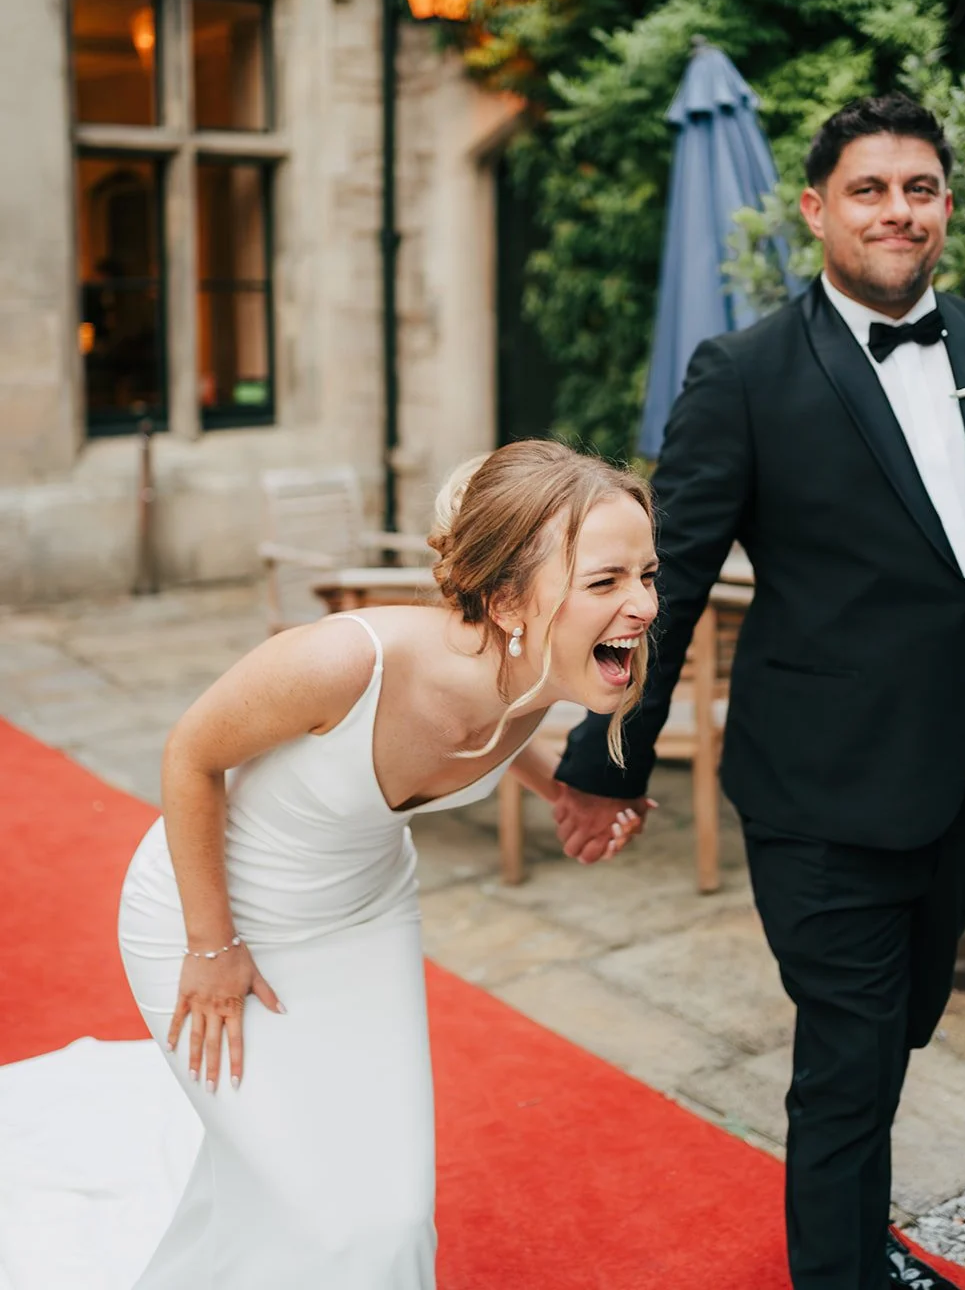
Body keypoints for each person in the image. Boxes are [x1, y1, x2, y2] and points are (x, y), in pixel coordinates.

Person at [553, 93, 965, 1290]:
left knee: (897, 1026)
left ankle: (852, 1235)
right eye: (867, 189)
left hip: (964, 771)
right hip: (818, 789)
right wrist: (604, 758)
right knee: (846, 1052)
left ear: (945, 206)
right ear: (814, 209)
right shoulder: (742, 373)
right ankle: (840, 1269)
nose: (897, 210)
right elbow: (669, 582)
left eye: (917, 188)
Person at [118, 439, 659, 1289]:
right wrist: (210, 945)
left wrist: (566, 792)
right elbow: (190, 754)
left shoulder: (536, 672)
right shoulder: (345, 662)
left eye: (647, 575)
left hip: (365, 922)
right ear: (508, 601)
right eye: (606, 582)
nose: (643, 605)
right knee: (311, 1204)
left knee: (396, 1212)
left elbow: (492, 731)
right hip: (209, 919)